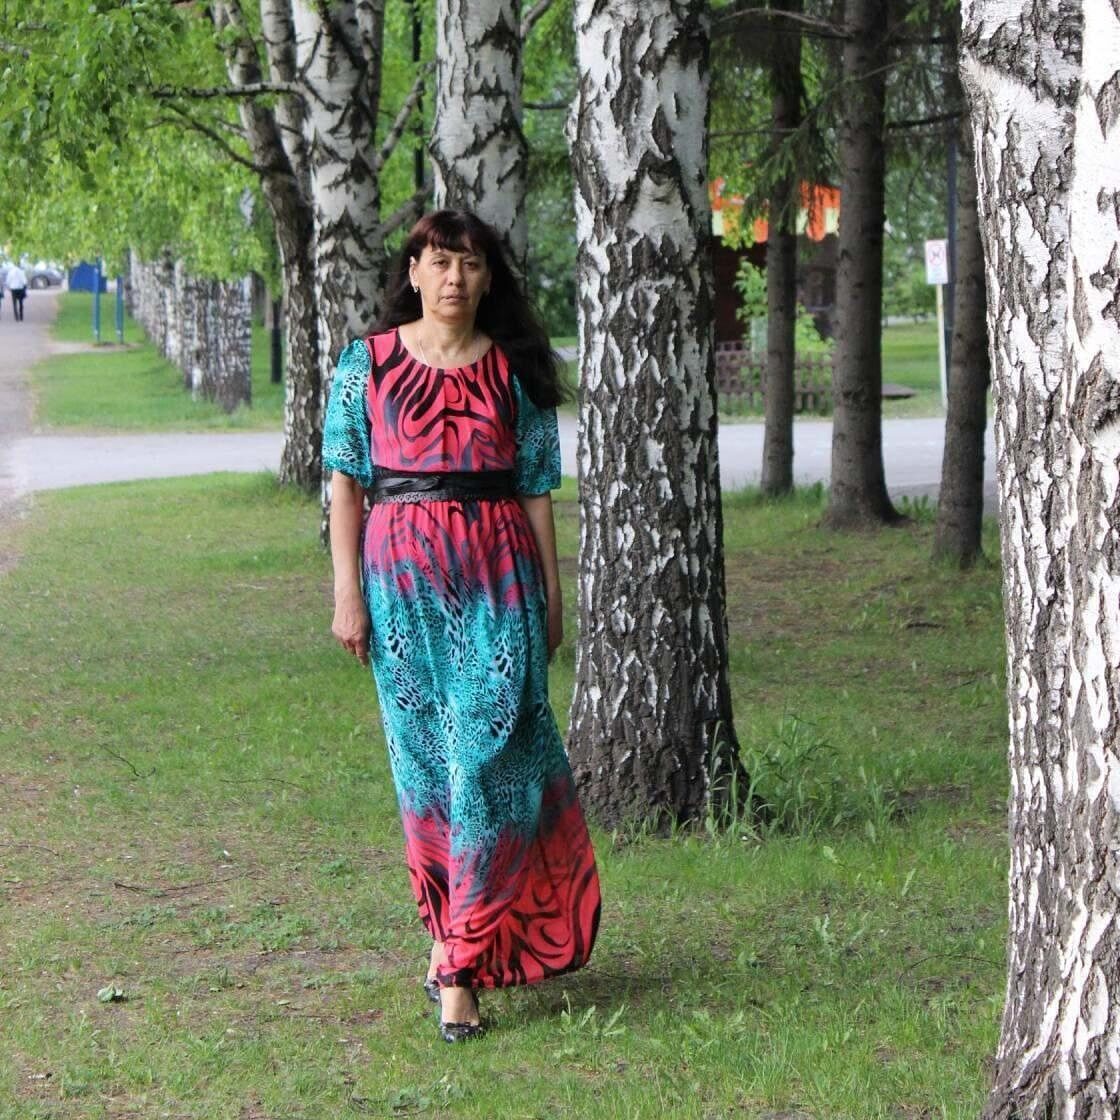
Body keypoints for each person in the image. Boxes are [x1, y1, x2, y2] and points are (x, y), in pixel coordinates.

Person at [322, 210, 601, 1044]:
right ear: (413, 271)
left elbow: (536, 491)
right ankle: (452, 936)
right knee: (428, 777)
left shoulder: (514, 371)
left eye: (471, 265)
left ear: (488, 278)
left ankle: (460, 974)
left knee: (483, 764)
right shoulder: (366, 364)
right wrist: (346, 594)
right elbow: (345, 486)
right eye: (440, 262)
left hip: (497, 582)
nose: (455, 278)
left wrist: (552, 595)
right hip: (401, 589)